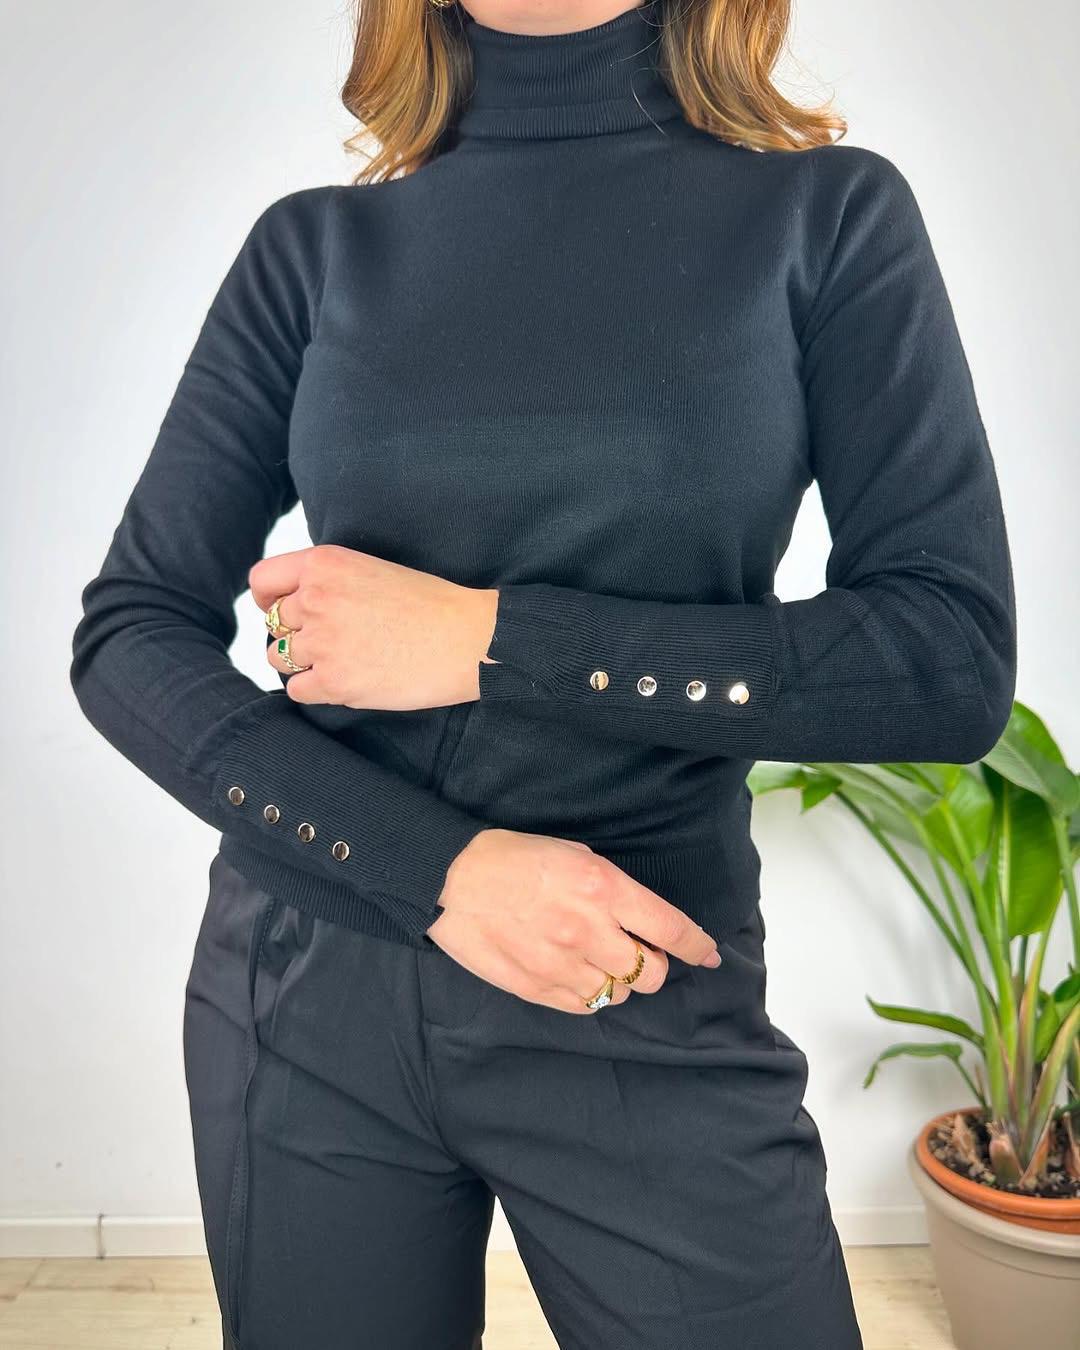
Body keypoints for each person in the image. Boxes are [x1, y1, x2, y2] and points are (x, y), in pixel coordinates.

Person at [69, 0, 1017, 1345]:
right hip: (309, 984)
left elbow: (946, 659)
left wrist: (489, 638)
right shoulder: (315, 250)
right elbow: (132, 632)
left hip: (637, 971)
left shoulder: (824, 220)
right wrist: (437, 872)